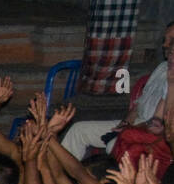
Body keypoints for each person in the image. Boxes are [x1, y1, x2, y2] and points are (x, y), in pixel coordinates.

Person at [60, 21, 174, 160]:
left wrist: (132, 128)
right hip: (136, 123)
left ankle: (106, 181)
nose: (165, 45)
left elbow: (161, 124)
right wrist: (125, 123)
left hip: (152, 134)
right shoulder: (162, 68)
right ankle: (62, 177)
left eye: (171, 41)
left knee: (114, 144)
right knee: (78, 130)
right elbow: (139, 104)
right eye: (165, 40)